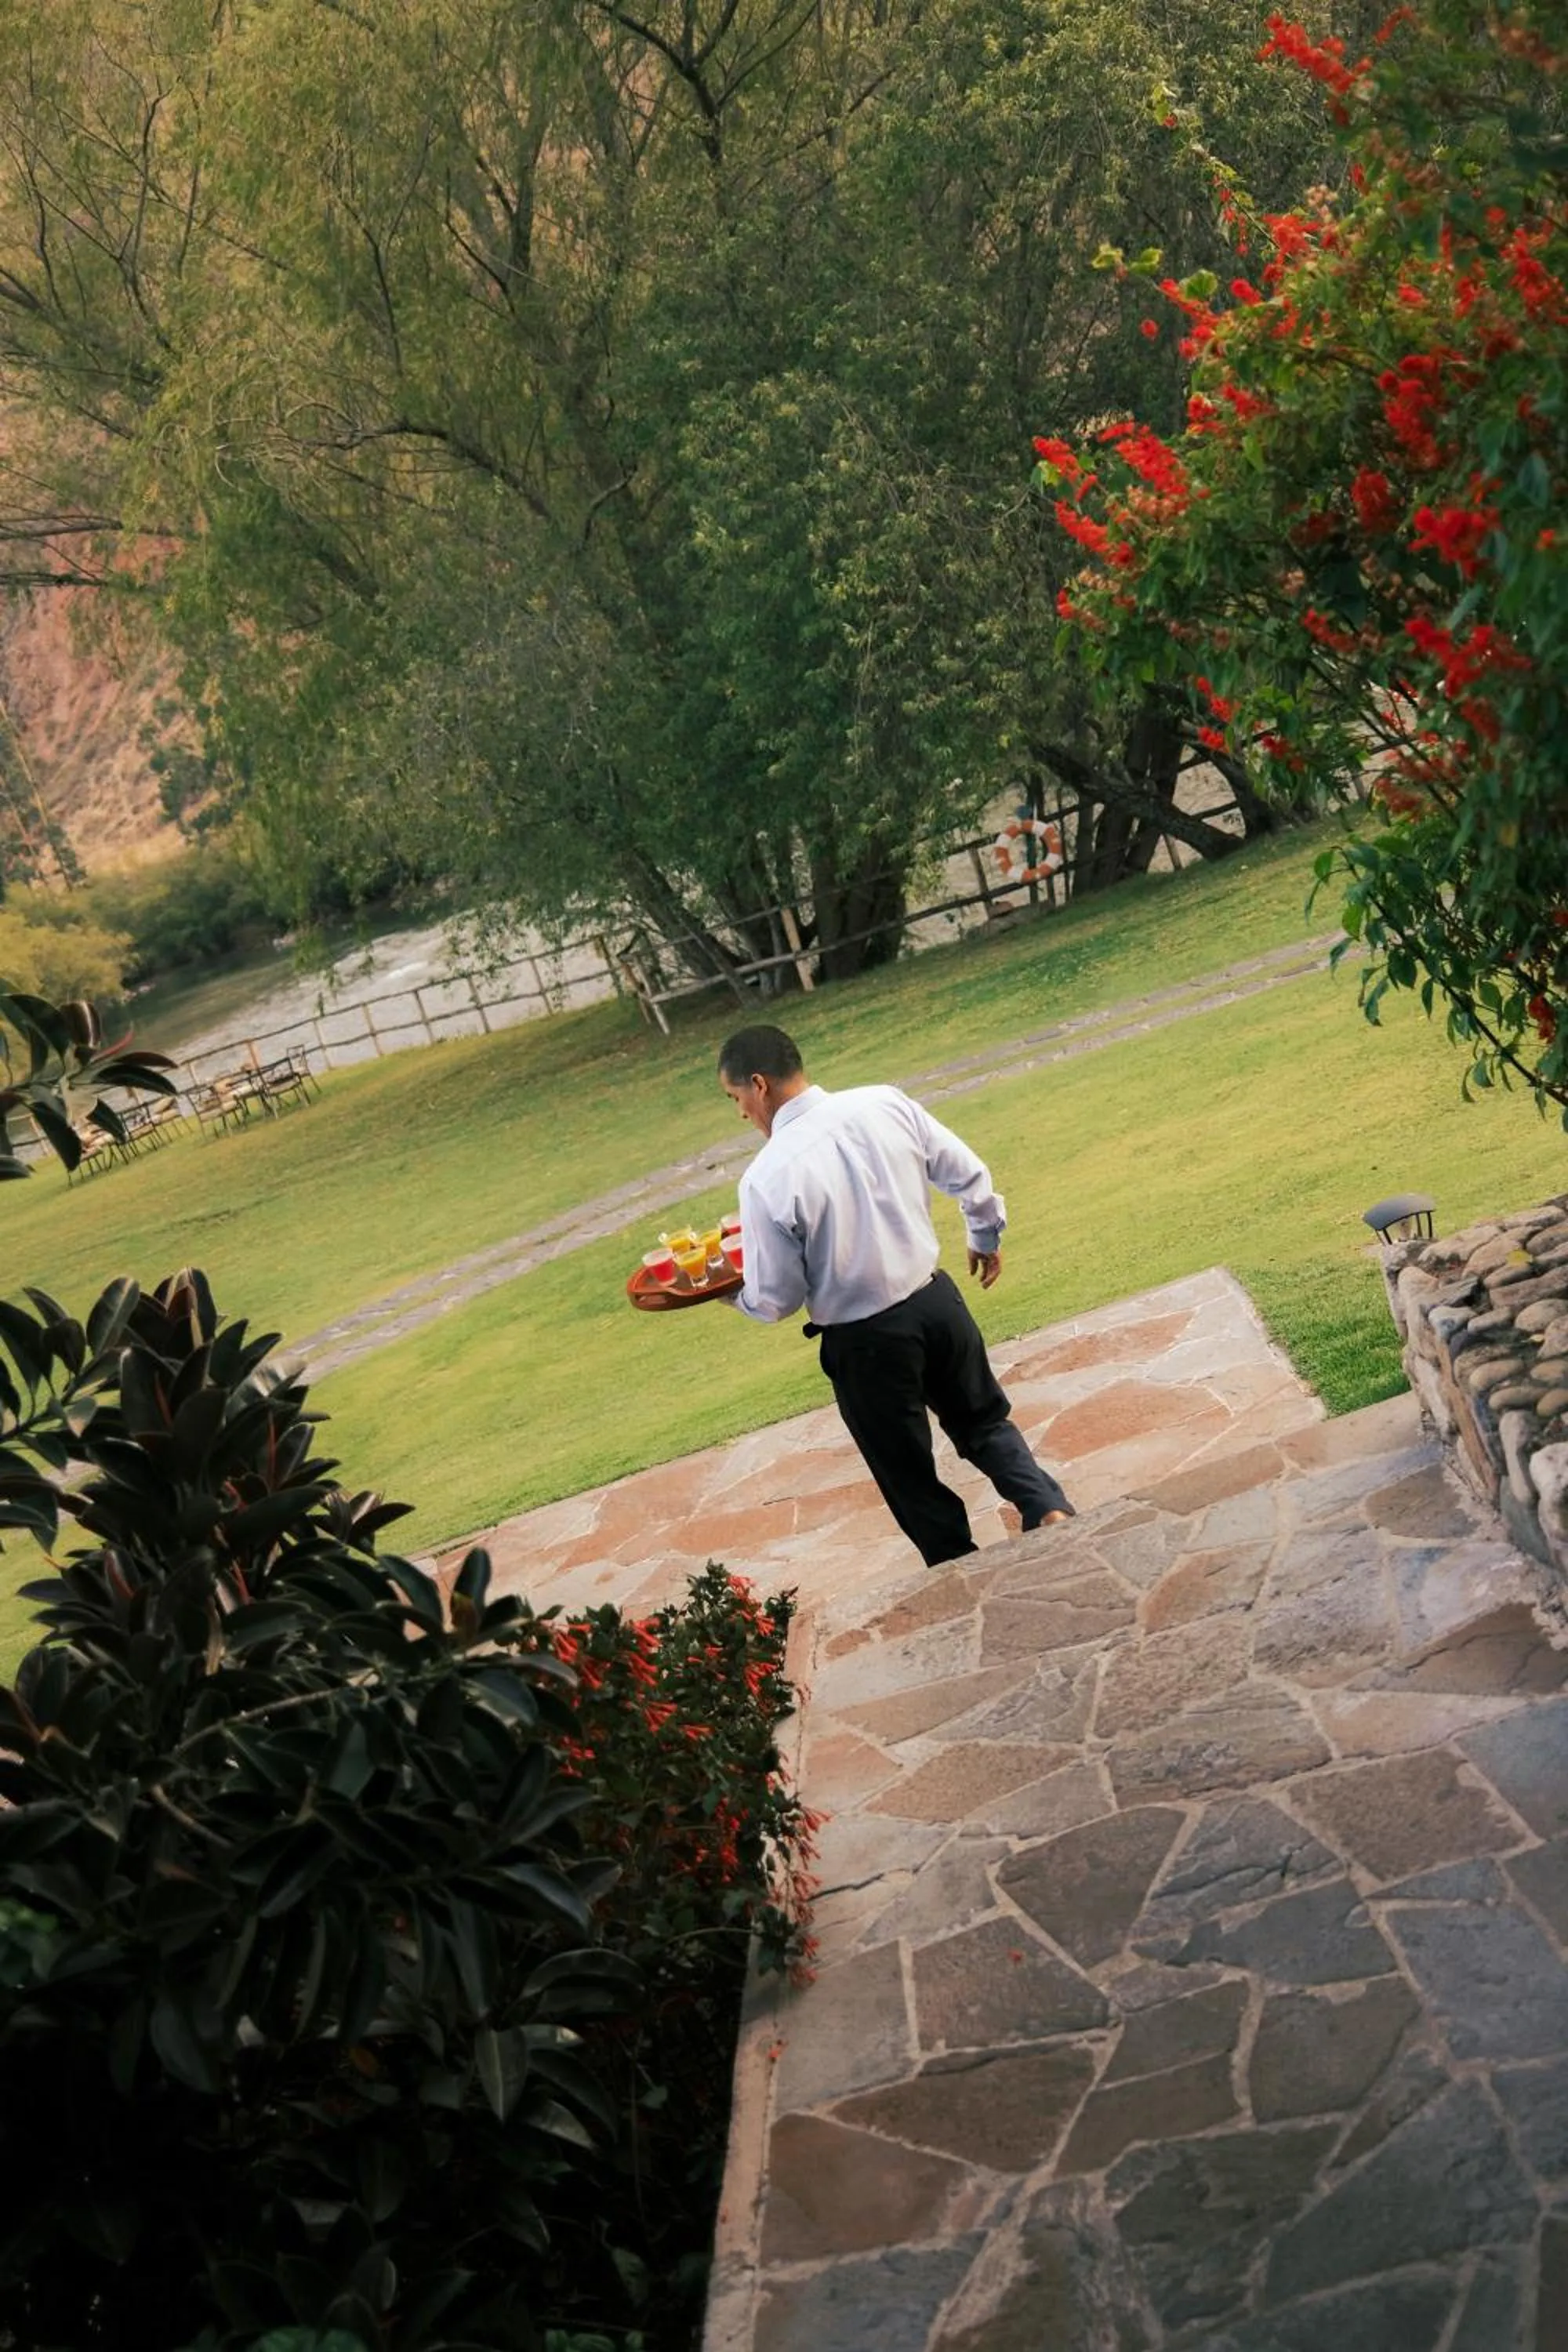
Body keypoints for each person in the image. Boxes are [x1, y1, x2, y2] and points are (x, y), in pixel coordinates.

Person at [717, 1023, 1074, 1566]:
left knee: (907, 1473)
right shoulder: (883, 1102)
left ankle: (962, 1571)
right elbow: (967, 1173)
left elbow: (778, 1298)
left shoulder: (766, 1177)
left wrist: (731, 1292)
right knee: (983, 1422)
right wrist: (983, 1235)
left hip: (867, 1344)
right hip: (936, 1304)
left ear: (759, 1085)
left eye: (736, 1097)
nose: (741, 1112)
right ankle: (1046, 1507)